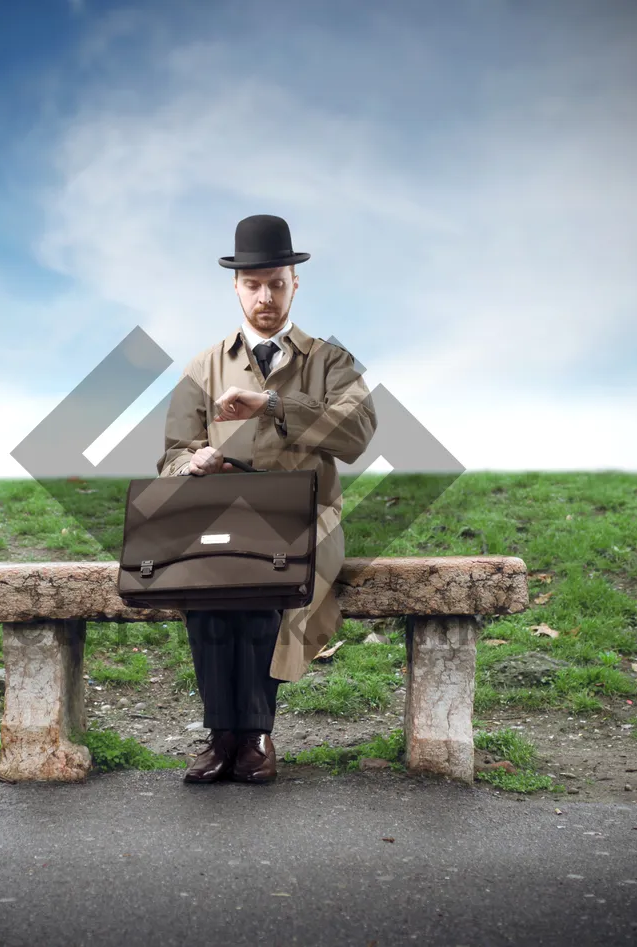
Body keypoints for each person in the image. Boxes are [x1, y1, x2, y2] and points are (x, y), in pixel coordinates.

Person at [155, 214, 378, 784]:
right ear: (235, 286)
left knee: (263, 593)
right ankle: (222, 735)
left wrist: (275, 406)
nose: (265, 297)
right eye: (253, 285)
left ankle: (253, 735)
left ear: (295, 283)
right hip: (222, 519)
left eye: (276, 283)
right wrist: (195, 462)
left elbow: (357, 437)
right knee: (206, 594)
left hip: (306, 519)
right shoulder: (202, 366)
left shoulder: (331, 361)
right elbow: (172, 455)